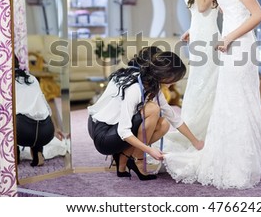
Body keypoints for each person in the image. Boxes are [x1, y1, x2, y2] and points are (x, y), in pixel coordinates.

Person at [163, 0, 261, 189]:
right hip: (236, 44)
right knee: (239, 100)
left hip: (237, 46)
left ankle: (240, 163)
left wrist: (228, 39)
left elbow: (257, 15)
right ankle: (251, 157)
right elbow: (229, 12)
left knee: (236, 100)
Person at [87, 48, 204, 181]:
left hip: (114, 127)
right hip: (103, 134)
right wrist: (149, 151)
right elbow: (124, 131)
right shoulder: (134, 88)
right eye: (175, 79)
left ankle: (125, 160)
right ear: (164, 76)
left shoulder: (152, 83)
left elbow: (173, 117)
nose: (175, 83)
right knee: (153, 109)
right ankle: (138, 159)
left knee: (164, 123)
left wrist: (196, 141)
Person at [163, 0, 220, 151]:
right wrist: (191, 29)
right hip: (197, 37)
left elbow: (204, 6)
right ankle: (192, 130)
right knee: (197, 82)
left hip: (210, 39)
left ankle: (208, 130)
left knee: (208, 83)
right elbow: (197, 13)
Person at [15, 55, 63, 167]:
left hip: (22, 131)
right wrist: (55, 128)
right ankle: (38, 152)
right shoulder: (32, 78)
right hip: (46, 131)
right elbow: (46, 106)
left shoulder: (6, 79)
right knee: (35, 114)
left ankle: (14, 154)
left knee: (7, 115)